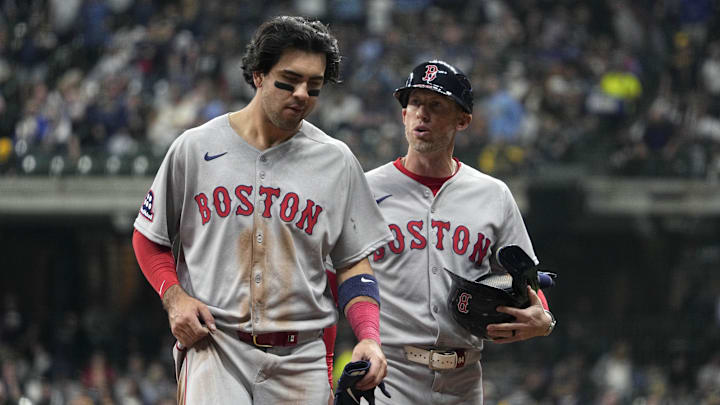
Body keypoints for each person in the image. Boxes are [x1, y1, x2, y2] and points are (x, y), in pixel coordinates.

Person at [131, 16, 392, 404]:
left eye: (314, 86)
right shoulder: (194, 148)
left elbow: (354, 265)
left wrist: (370, 337)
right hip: (216, 346)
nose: (302, 93)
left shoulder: (336, 161)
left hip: (301, 356)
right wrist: (175, 298)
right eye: (289, 80)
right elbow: (148, 237)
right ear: (258, 75)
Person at [365, 60, 556, 404]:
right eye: (415, 103)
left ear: (463, 120)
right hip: (389, 372)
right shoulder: (366, 189)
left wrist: (543, 317)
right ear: (403, 114)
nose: (422, 114)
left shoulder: (493, 194)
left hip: (464, 379)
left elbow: (526, 281)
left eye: (436, 105)